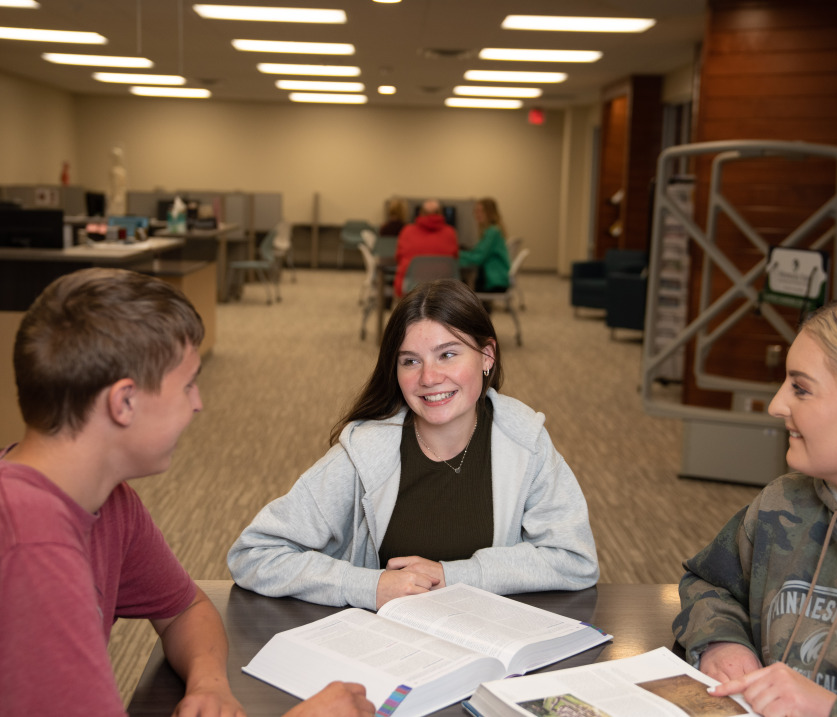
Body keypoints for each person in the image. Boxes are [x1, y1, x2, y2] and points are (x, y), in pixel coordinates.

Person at [0, 268, 374, 717]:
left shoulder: (105, 500)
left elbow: (184, 608)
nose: (198, 403)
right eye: (188, 384)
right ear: (124, 402)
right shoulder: (30, 547)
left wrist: (209, 683)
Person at [228, 279, 599, 611]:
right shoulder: (364, 453)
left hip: (489, 647)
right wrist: (367, 586)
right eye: (410, 361)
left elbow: (574, 559)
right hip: (388, 653)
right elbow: (254, 555)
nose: (429, 378)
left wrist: (454, 576)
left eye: (448, 354)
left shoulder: (524, 439)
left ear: (487, 356)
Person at [673, 296, 837, 717]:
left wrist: (832, 709)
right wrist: (723, 641)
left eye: (801, 388)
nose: (776, 405)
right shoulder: (783, 503)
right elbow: (710, 584)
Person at [392, 199, 459, 297]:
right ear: (440, 213)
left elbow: (398, 258)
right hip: (443, 289)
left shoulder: (407, 231)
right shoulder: (450, 232)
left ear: (420, 213)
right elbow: (455, 259)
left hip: (411, 287)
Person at [459, 197, 511, 294]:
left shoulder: (492, 232)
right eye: (476, 211)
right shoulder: (493, 230)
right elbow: (478, 252)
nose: (476, 214)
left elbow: (478, 258)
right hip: (498, 277)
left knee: (461, 281)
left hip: (495, 282)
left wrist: (455, 255)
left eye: (480, 211)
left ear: (489, 213)